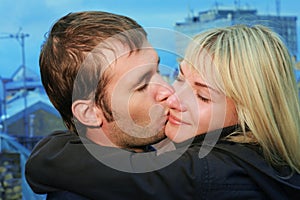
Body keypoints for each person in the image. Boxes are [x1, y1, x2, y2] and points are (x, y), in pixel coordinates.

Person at [26, 22, 300, 199]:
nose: (172, 94)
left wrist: (49, 153)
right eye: (179, 77)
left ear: (250, 116)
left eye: (203, 96)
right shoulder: (264, 162)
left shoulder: (211, 173)